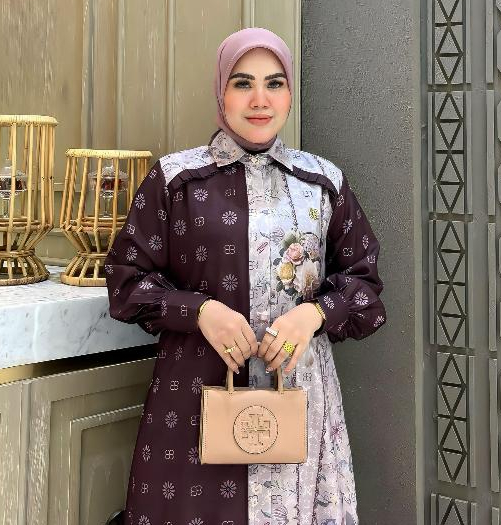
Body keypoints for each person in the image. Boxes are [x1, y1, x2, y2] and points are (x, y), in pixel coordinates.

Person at [105, 26, 386, 525]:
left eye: (275, 83)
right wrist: (199, 311)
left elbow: (364, 283)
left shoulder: (322, 182)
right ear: (221, 91)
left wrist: (314, 315)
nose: (260, 100)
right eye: (243, 83)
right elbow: (126, 281)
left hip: (300, 395)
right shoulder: (175, 180)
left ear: (290, 94)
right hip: (194, 397)